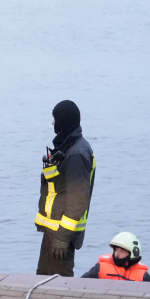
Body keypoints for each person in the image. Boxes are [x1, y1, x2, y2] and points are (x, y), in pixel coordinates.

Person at [35, 100, 95, 277]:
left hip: (61, 234)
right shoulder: (67, 146)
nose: (52, 122)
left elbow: (78, 200)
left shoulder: (77, 153)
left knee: (58, 285)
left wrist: (62, 238)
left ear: (64, 120)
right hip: (53, 230)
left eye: (54, 118)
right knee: (43, 281)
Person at [80, 232, 150, 281]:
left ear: (133, 254)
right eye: (116, 250)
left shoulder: (143, 276)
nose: (117, 254)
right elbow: (81, 283)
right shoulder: (100, 268)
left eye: (122, 251)